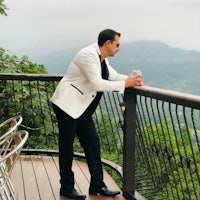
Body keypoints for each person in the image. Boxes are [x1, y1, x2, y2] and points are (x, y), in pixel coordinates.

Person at [51, 29, 143, 199]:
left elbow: (112, 76)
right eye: (117, 44)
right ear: (108, 43)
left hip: (80, 107)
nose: (119, 48)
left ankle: (97, 185)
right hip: (66, 105)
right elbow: (98, 83)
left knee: (93, 144)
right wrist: (125, 84)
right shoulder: (88, 55)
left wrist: (130, 80)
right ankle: (66, 187)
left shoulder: (101, 58)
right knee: (67, 147)